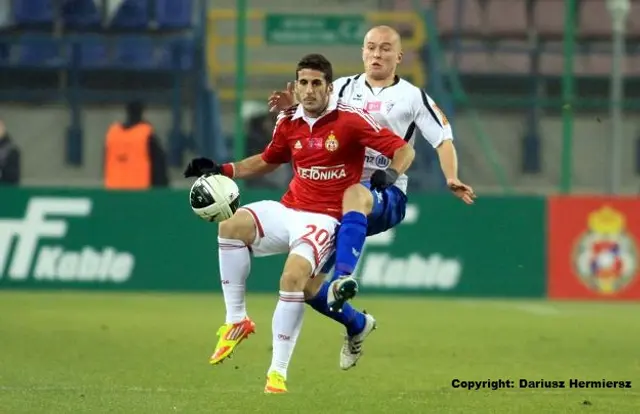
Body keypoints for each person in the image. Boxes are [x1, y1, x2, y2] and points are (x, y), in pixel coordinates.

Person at [183, 53, 415, 394]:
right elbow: (266, 161)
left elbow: (403, 149)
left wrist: (392, 173)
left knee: (295, 280)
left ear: (328, 87)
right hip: (289, 209)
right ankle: (236, 320)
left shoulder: (350, 121)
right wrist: (222, 169)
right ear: (296, 85)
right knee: (231, 225)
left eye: (316, 83)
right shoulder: (288, 122)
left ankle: (277, 373)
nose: (308, 91)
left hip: (325, 219)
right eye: (303, 83)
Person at [268, 26, 475, 370]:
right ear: (363, 52)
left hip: (385, 192)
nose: (377, 54)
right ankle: (357, 324)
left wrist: (450, 176)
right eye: (371, 48)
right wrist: (293, 107)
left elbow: (443, 139)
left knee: (357, 194)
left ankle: (343, 278)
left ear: (399, 56)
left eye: (385, 49)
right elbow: (312, 111)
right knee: (303, 286)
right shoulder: (342, 88)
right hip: (336, 198)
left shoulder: (412, 97)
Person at [104, 101, 169, 190]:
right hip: (139, 194)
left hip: (113, 193)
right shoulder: (146, 135)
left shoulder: (113, 134)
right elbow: (159, 168)